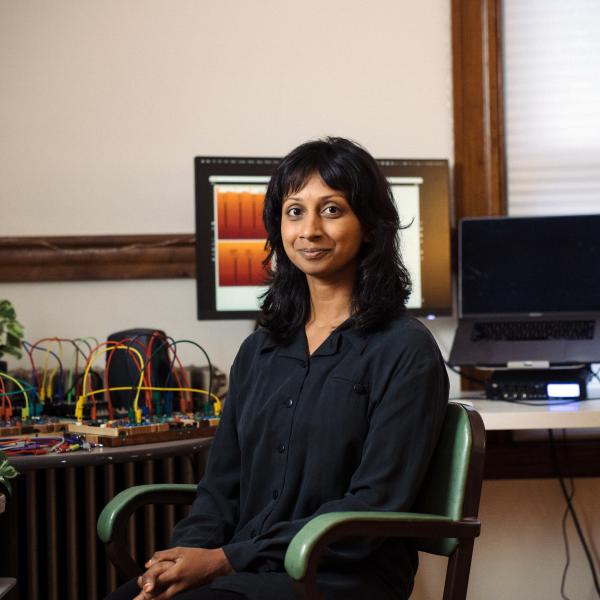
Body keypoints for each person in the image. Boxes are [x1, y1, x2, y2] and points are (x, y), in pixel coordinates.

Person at [106, 137, 449, 600]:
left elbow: (373, 505)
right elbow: (221, 485)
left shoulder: (405, 350)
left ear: (369, 225)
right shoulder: (259, 350)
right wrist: (184, 555)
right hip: (243, 567)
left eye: (331, 210)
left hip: (343, 576)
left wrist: (224, 560)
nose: (310, 230)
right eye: (294, 211)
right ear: (277, 227)